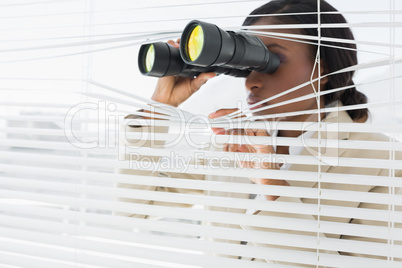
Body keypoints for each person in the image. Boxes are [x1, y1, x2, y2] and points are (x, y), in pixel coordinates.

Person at [115, 0, 402, 265]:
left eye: (270, 61)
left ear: (321, 68)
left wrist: (271, 183)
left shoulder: (384, 164)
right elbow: (136, 210)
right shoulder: (232, 148)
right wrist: (159, 107)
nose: (251, 81)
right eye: (248, 64)